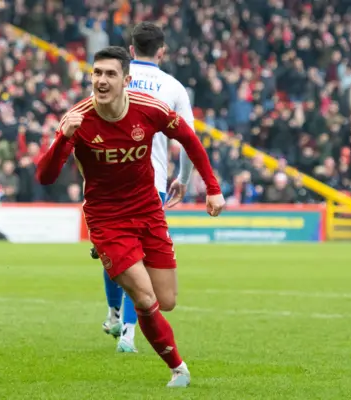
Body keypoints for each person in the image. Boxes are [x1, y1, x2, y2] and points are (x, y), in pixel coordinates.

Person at [36, 46, 225, 388]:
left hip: (148, 210)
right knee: (143, 296)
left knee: (165, 300)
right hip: (107, 219)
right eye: (97, 73)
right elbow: (45, 177)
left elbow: (189, 140)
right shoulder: (77, 119)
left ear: (126, 80)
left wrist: (212, 187)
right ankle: (178, 369)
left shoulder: (148, 109)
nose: (102, 80)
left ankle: (124, 300)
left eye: (110, 74)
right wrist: (62, 140)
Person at [95, 21, 195, 354]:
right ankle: (127, 331)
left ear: (132, 49)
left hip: (108, 179)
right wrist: (184, 179)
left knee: (117, 252)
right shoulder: (173, 87)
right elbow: (189, 140)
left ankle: (114, 314)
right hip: (150, 182)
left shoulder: (112, 77)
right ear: (162, 51)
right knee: (138, 256)